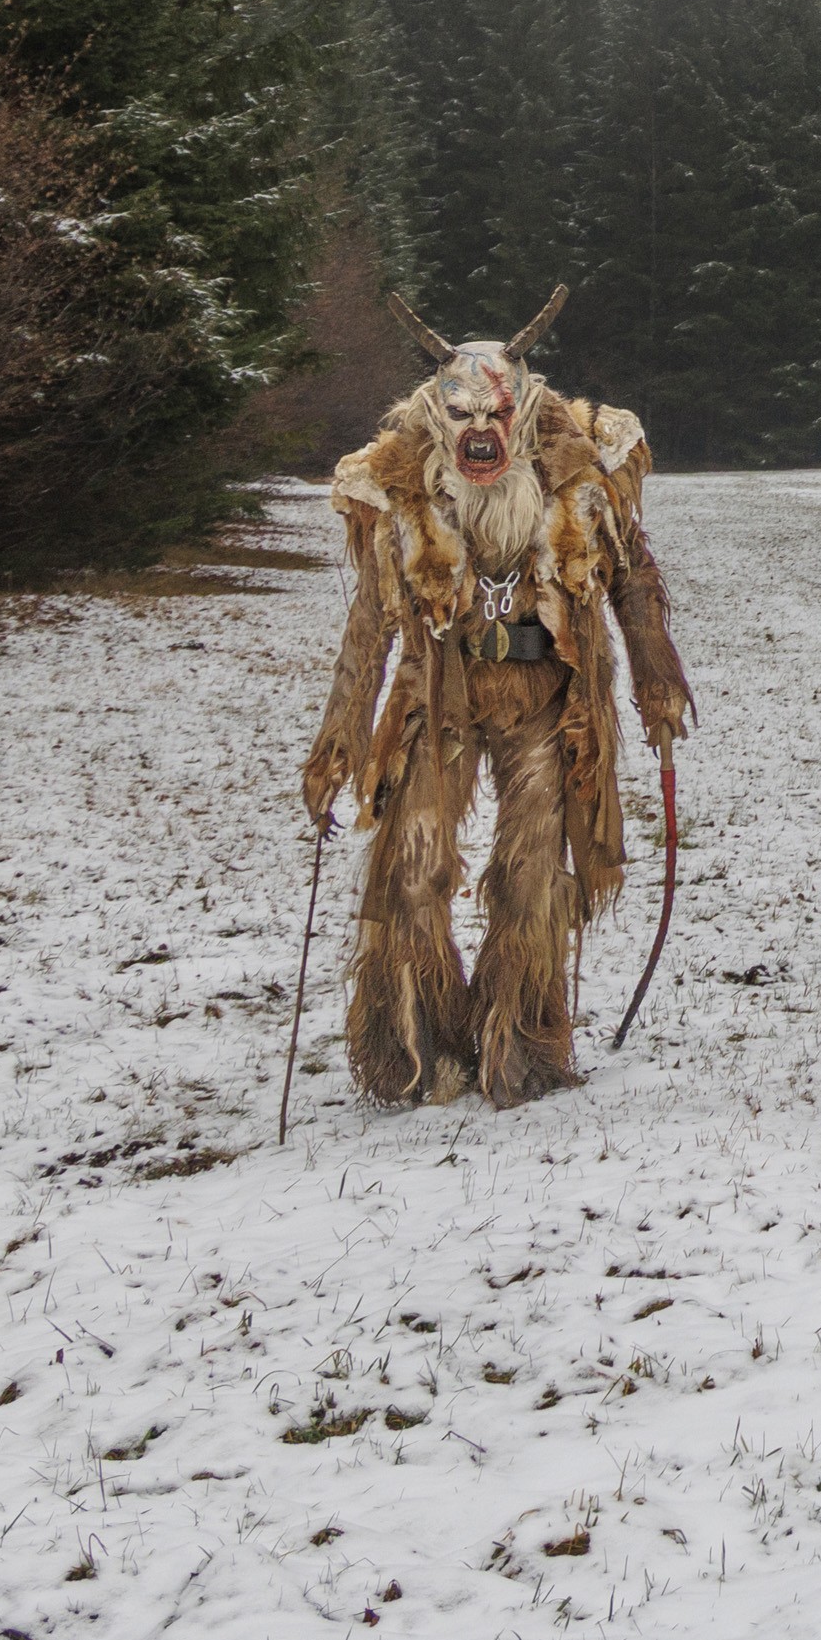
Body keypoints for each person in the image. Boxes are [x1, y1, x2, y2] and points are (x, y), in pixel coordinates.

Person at [301, 287, 693, 1107]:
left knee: (531, 876)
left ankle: (520, 1043)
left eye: (495, 413)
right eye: (462, 414)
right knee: (413, 867)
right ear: (436, 413)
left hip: (549, 700)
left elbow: (634, 581)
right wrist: (339, 742)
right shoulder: (400, 485)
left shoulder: (581, 471)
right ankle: (416, 1047)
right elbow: (370, 623)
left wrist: (657, 685)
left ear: (521, 408)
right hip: (439, 694)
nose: (480, 431)